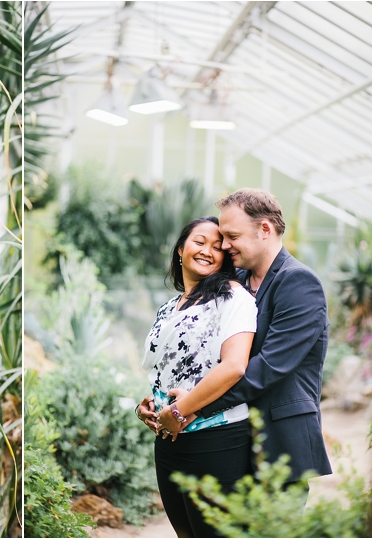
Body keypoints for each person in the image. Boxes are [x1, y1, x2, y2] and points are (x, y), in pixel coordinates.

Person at [139, 189, 332, 516]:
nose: (224, 246)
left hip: (277, 440)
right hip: (230, 439)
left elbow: (267, 368)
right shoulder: (234, 281)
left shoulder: (299, 284)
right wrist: (162, 403)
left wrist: (189, 408)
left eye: (231, 236)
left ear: (265, 230)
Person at [135, 216, 258, 537]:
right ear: (180, 249)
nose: (208, 251)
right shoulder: (168, 308)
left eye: (218, 248)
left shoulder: (233, 297)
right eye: (199, 242)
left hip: (217, 439)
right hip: (168, 441)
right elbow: (162, 369)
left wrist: (179, 409)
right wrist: (148, 405)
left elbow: (234, 366)